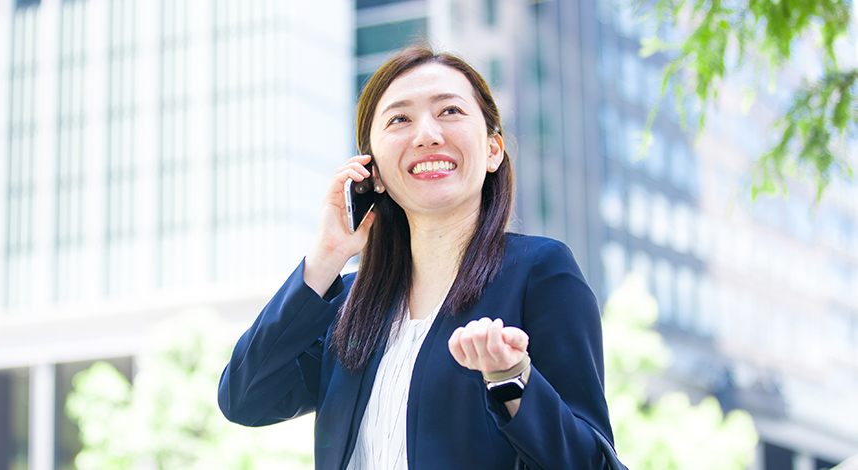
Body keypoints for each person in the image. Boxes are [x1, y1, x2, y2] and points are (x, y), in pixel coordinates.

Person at [218, 44, 615, 470]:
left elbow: (592, 463)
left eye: (450, 112)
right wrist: (327, 257)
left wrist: (512, 379)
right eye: (399, 119)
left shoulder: (539, 271)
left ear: (493, 150)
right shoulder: (350, 307)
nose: (427, 134)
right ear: (374, 173)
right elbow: (245, 399)